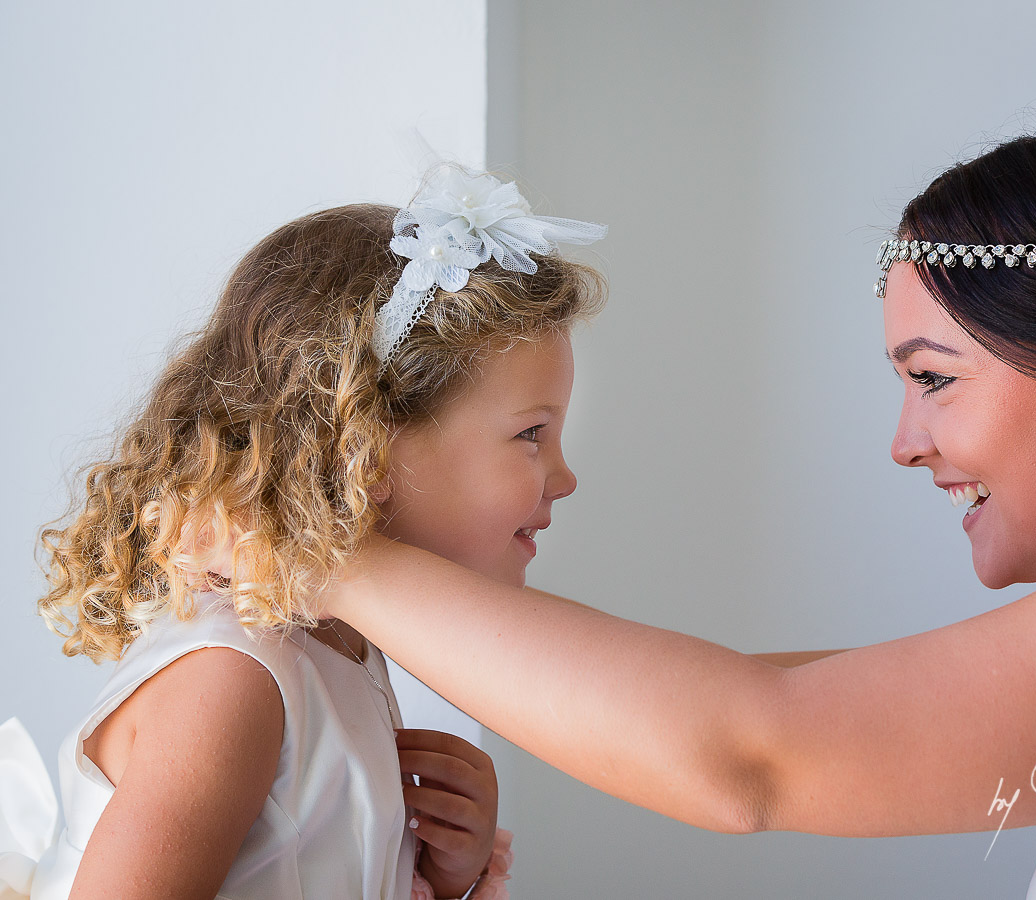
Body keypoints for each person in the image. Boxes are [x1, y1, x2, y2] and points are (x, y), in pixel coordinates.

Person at [296, 49, 1036, 899]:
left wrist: (303, 549)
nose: (905, 442)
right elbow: (762, 695)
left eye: (934, 380)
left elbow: (755, 751)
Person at [10, 164, 605, 899]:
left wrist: (441, 875)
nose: (565, 476)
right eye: (531, 435)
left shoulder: (339, 646)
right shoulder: (232, 682)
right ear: (369, 447)